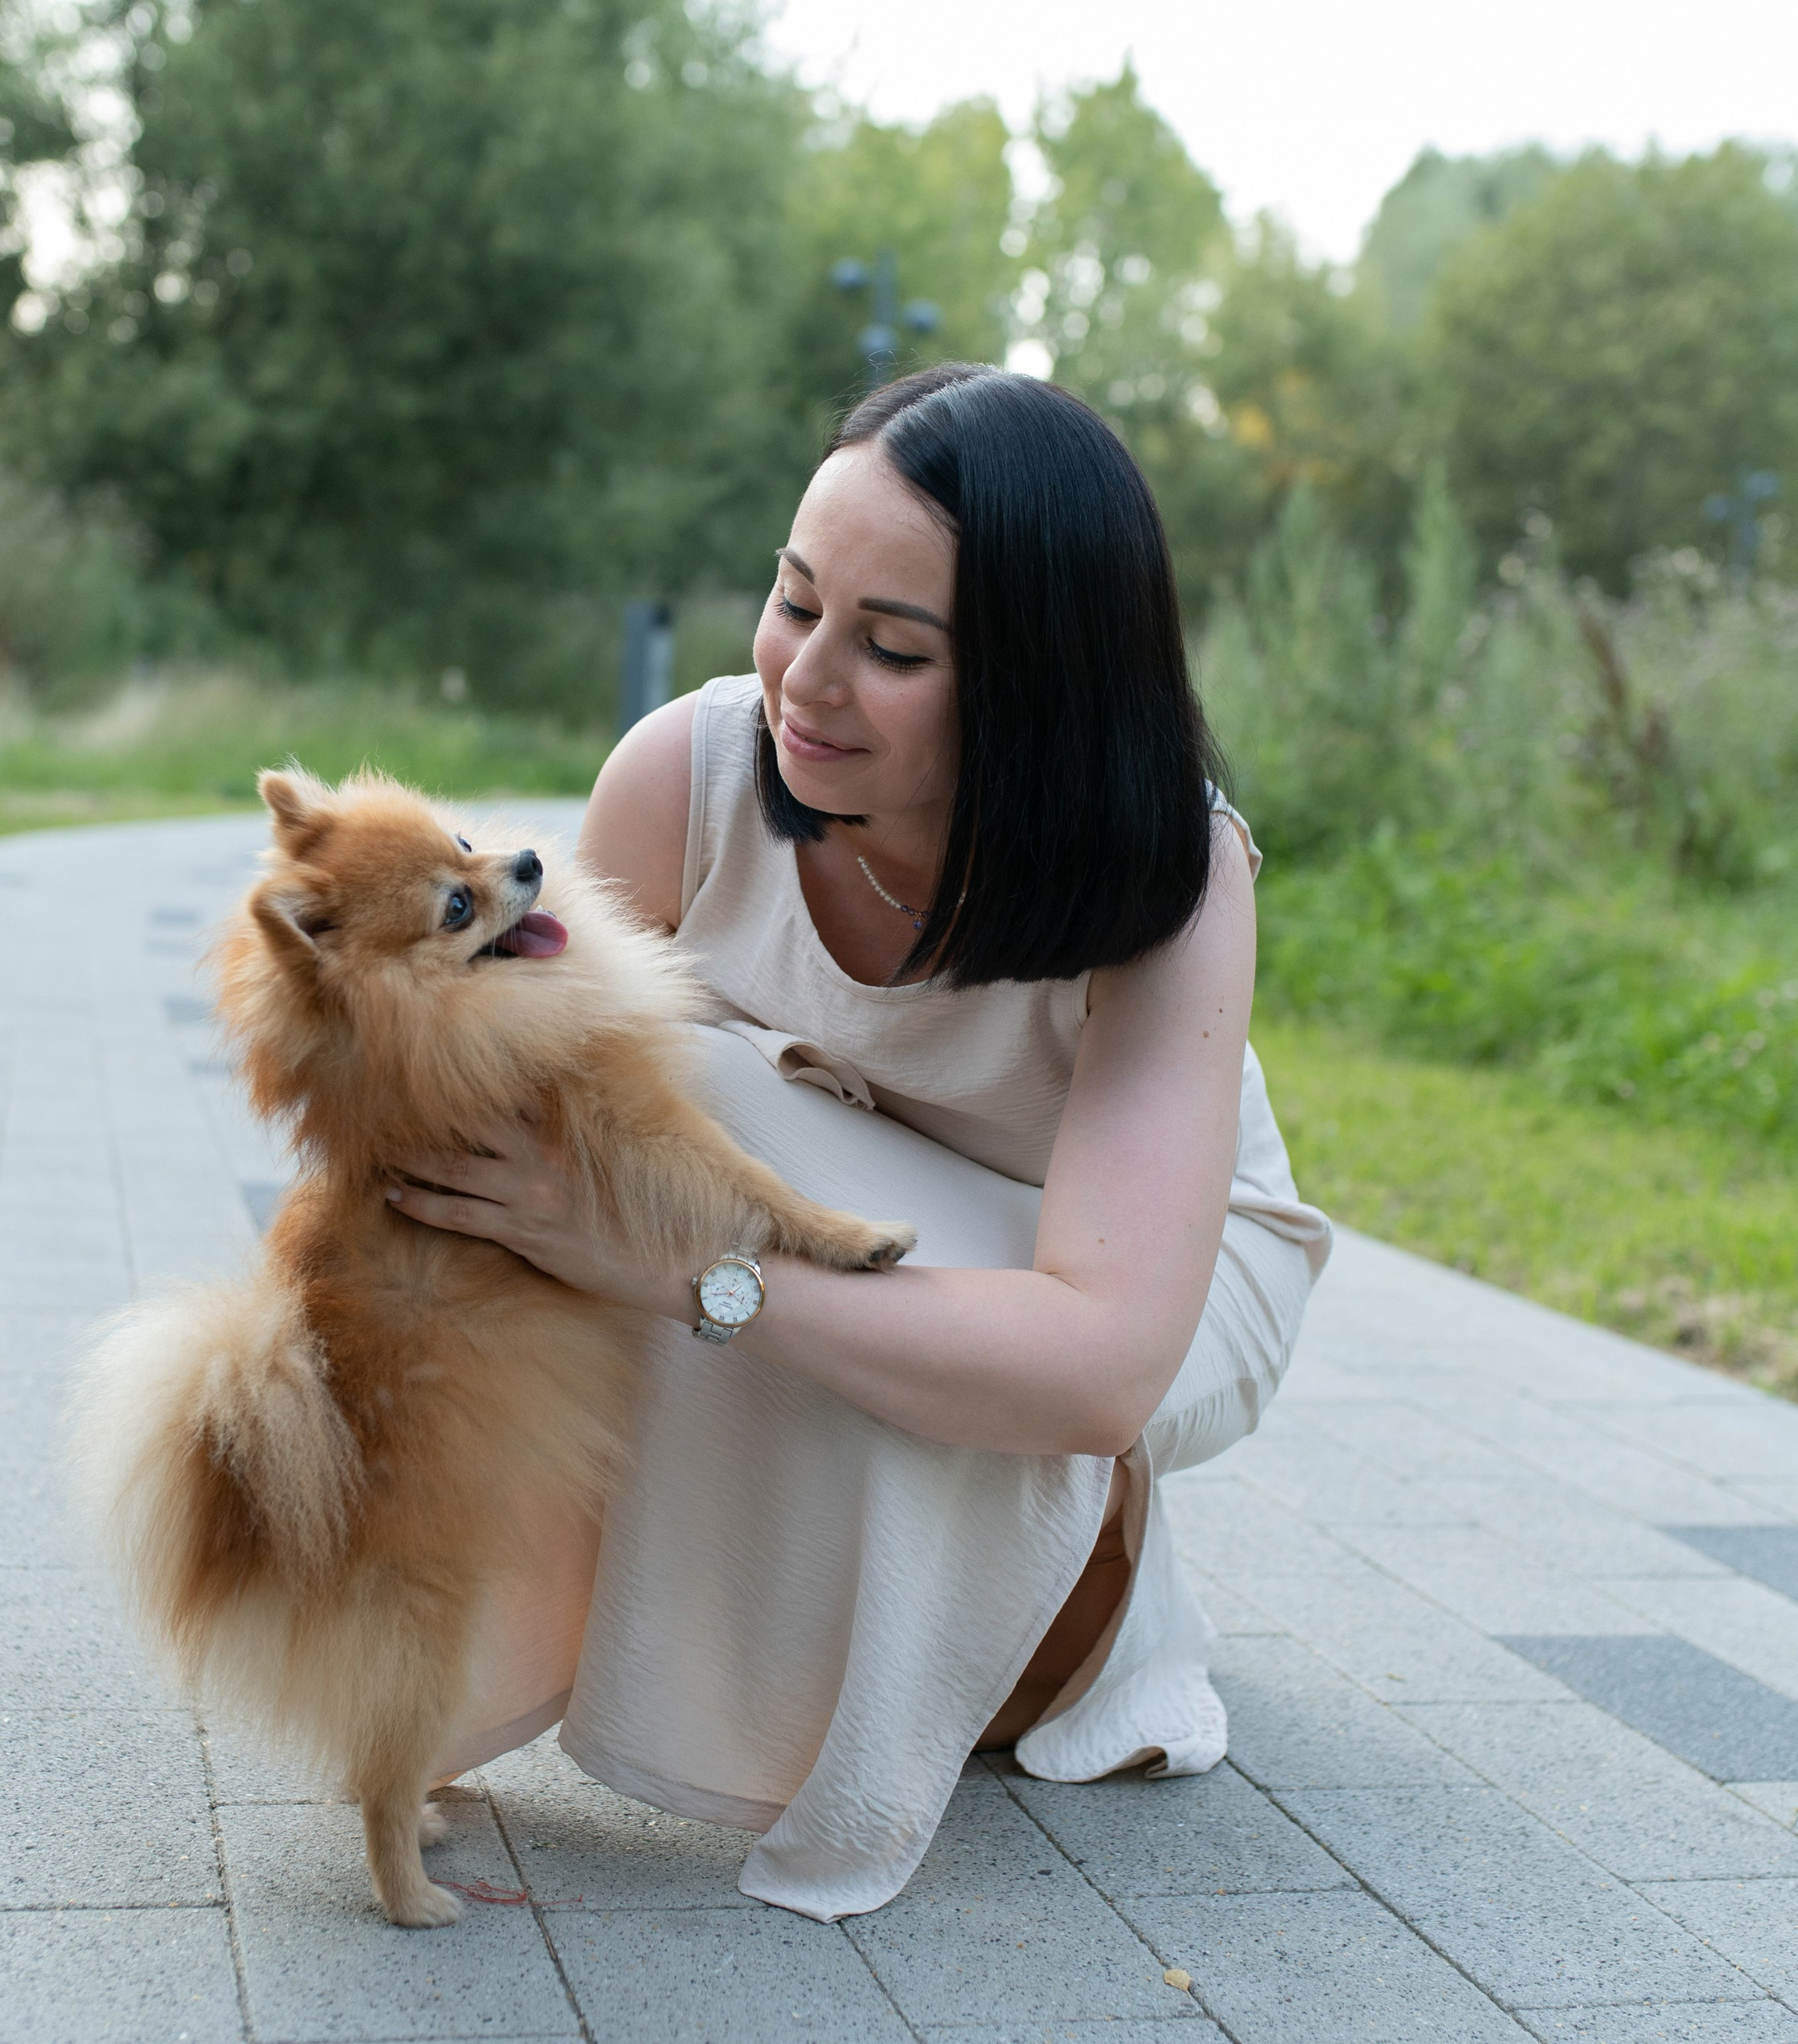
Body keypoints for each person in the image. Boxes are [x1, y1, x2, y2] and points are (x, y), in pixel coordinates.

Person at [386, 363, 1330, 1920]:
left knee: (709, 1134)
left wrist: (688, 1269)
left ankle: (1062, 1592)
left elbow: (1097, 1355)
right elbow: (499, 1110)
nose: (803, 682)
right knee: (594, 1096)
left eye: (890, 646)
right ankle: (493, 1656)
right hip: (826, 1196)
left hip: (1127, 1272)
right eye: (792, 600)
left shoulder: (1169, 869)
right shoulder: (685, 773)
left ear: (1035, 682)